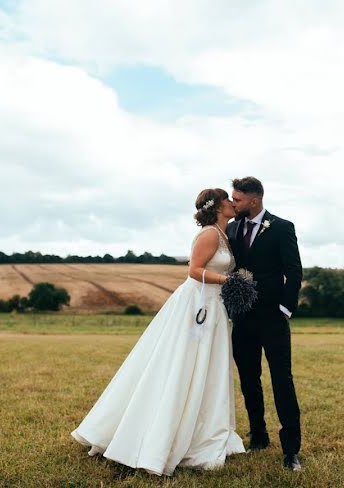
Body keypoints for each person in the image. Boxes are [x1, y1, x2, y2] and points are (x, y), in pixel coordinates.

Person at [70, 188, 245, 476]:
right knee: (183, 365)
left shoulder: (223, 233)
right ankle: (158, 437)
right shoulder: (211, 234)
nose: (231, 203)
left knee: (207, 369)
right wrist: (229, 280)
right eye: (227, 199)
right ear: (217, 207)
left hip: (214, 304)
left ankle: (205, 430)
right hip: (198, 305)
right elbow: (194, 270)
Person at [226, 176, 304, 472]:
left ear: (254, 200)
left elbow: (294, 272)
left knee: (282, 381)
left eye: (238, 200)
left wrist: (285, 309)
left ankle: (291, 451)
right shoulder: (232, 228)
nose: (234, 204)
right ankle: (258, 436)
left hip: (273, 317)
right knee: (248, 379)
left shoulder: (282, 227)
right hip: (243, 318)